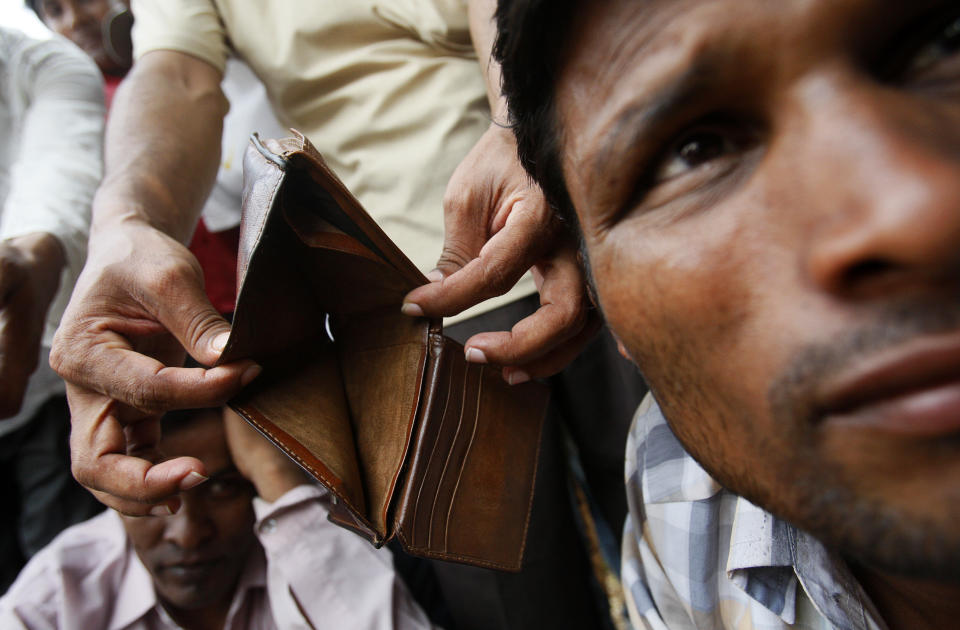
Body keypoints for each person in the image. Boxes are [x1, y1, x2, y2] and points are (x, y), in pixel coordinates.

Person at [47, 1, 643, 627]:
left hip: (593, 202)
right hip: (413, 308)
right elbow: (177, 73)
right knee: (512, 606)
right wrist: (124, 221)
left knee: (703, 525)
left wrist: (526, 132)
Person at [492, 1, 960, 629]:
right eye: (695, 151)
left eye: (946, 44)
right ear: (603, 303)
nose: (912, 213)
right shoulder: (675, 500)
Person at [0, 404, 433, 629]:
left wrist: (276, 475)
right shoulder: (55, 598)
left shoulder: (322, 549)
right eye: (151, 497)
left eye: (225, 489)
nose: (188, 536)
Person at [0, 25, 104, 592]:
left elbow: (62, 173)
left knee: (69, 579)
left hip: (47, 387)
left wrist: (35, 252)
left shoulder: (43, 64)